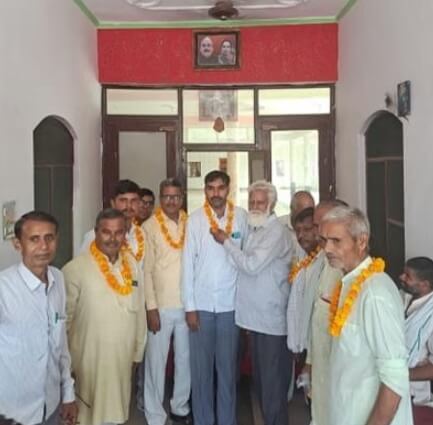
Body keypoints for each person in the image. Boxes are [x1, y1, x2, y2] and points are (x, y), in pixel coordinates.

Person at [320, 206, 412, 425]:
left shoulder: (374, 294)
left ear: (361, 242)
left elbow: (395, 377)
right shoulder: (348, 283)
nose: (327, 249)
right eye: (324, 240)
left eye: (336, 241)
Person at [211, 180, 293, 425]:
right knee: (262, 385)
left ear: (272, 205)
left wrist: (226, 242)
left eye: (260, 202)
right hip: (254, 320)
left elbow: (251, 265)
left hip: (270, 322)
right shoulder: (255, 228)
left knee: (272, 389)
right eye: (252, 202)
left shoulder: (276, 232)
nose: (255, 206)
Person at [63, 208, 146, 425]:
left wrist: (137, 352)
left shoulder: (132, 265)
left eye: (118, 232)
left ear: (125, 234)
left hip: (122, 357)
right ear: (96, 232)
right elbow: (64, 323)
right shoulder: (75, 269)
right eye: (106, 232)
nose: (112, 238)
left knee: (117, 414)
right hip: (89, 360)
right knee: (88, 416)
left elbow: (139, 311)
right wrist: (65, 367)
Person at [181, 170, 248, 425]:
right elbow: (187, 265)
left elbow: (247, 260)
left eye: (220, 188)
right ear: (205, 190)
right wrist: (190, 307)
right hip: (202, 306)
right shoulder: (195, 220)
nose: (215, 193)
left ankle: (227, 421)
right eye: (210, 188)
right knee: (201, 372)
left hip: (231, 306)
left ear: (228, 189)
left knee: (227, 371)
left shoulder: (241, 217)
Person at [0, 211, 77, 425]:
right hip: (12, 411)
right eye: (34, 239)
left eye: (49, 238)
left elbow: (61, 344)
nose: (44, 247)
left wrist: (68, 393)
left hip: (50, 405)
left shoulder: (58, 279)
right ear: (18, 244)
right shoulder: (4, 289)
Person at [143, 178, 191, 425]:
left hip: (187, 305)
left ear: (182, 198)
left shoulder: (191, 222)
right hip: (160, 306)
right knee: (156, 362)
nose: (171, 201)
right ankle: (154, 415)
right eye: (166, 197)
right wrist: (151, 307)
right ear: (160, 198)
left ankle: (180, 407)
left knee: (185, 360)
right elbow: (146, 270)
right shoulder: (149, 226)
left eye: (176, 196)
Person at [80, 179, 145, 268]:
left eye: (133, 200)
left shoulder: (143, 235)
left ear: (139, 204)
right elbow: (81, 268)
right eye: (123, 200)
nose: (129, 206)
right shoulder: (94, 236)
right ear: (113, 203)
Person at [286, 207, 325, 355]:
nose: (301, 235)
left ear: (318, 229)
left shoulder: (325, 263)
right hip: (300, 344)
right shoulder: (303, 259)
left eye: (307, 229)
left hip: (316, 347)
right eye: (298, 231)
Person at [400, 257, 433, 424]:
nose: (401, 277)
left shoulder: (431, 315)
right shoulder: (403, 297)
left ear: (424, 285)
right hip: (391, 386)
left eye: (408, 276)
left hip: (415, 399)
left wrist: (400, 374)